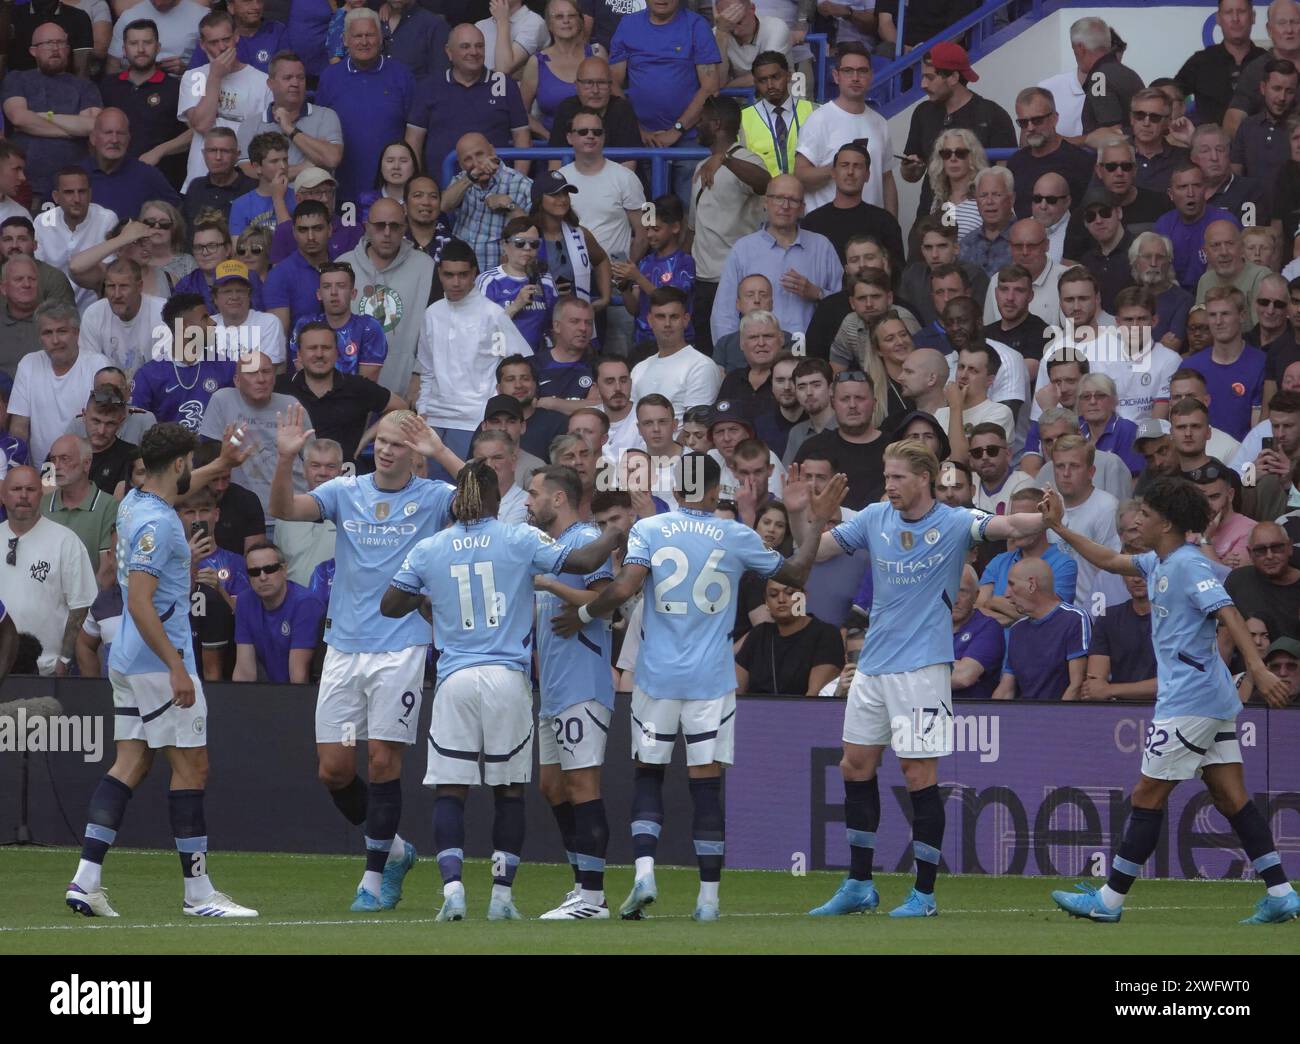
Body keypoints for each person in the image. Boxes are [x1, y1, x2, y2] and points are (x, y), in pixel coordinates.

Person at [553, 454, 844, 921]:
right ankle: (708, 900)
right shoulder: (736, 535)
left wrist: (586, 614)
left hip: (657, 675)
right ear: (713, 491)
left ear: (679, 486)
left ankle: (645, 871)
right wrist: (818, 521)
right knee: (705, 785)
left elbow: (625, 588)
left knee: (648, 773)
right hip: (711, 678)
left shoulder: (650, 529)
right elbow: (795, 575)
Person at [804, 438, 1048, 916]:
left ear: (924, 480)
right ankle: (858, 884)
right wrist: (813, 517)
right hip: (873, 666)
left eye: (898, 477)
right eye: (886, 476)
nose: (889, 484)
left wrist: (1047, 517)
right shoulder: (875, 517)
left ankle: (925, 893)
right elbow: (817, 551)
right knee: (855, 766)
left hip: (922, 670)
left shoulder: (956, 523)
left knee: (919, 775)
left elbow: (1009, 524)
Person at [1042, 478, 1299, 923]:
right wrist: (1060, 528)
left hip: (1190, 700)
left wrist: (1256, 668)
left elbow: (1229, 614)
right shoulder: (1156, 561)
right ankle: (1280, 893)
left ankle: (1108, 901)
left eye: (1145, 513)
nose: (1136, 520)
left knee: (1147, 792)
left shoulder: (1187, 566)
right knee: (1230, 796)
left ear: (1167, 522)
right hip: (1206, 697)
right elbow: (1107, 558)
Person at [382, 451, 625, 921]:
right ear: (496, 497)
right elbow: (584, 557)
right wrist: (615, 529)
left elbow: (390, 603)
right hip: (507, 679)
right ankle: (501, 897)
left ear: (457, 501)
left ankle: (453, 892)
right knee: (509, 790)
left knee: (450, 790)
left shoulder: (431, 548)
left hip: (454, 679)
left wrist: (431, 600)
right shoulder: (518, 537)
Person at [267, 408, 445, 911]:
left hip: (402, 646)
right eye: (382, 441)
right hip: (344, 649)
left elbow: (486, 505)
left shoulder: (433, 499)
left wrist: (440, 450)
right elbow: (285, 508)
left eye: (399, 444)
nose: (387, 450)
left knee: (384, 760)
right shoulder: (346, 491)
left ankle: (372, 879)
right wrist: (284, 459)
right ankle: (394, 849)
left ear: (415, 453)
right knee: (335, 768)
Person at [524, 464, 617, 919]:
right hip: (555, 686)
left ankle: (594, 898)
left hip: (585, 679)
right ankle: (582, 884)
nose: (527, 500)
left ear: (558, 499)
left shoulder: (584, 542)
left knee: (582, 783)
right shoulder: (550, 546)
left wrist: (552, 584)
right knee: (551, 785)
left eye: (534, 492)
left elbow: (606, 599)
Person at [412, 240, 532, 467]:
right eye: (449, 275)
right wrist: (423, 410)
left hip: (475, 419)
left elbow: (517, 364)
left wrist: (497, 412)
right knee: (437, 494)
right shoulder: (432, 314)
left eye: (463, 275)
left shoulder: (492, 315)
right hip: (434, 419)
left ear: (474, 273)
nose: (456, 282)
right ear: (439, 273)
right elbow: (426, 370)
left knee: (468, 491)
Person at [608, 0, 721, 204]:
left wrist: (676, 130)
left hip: (690, 137)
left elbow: (711, 87)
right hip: (640, 140)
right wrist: (637, 129)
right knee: (646, 212)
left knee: (691, 212)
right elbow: (612, 82)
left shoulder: (696, 26)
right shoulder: (628, 25)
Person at [712, 174, 842, 346]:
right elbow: (724, 312)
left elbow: (843, 306)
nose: (785, 206)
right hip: (757, 353)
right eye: (778, 198)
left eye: (793, 200)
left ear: (802, 208)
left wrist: (817, 293)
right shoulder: (743, 249)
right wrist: (729, 356)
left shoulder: (822, 247)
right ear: (765, 202)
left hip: (810, 354)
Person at [406, 22, 530, 192]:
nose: (474, 52)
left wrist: (516, 185)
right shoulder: (429, 86)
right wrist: (419, 186)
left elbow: (522, 138)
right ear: (449, 52)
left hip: (495, 188)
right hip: (442, 190)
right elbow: (413, 141)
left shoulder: (504, 84)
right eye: (465, 46)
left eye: (479, 46)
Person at [313, 8, 416, 207]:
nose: (364, 42)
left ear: (380, 38)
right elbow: (321, 132)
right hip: (342, 188)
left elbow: (415, 132)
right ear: (344, 40)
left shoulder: (402, 75)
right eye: (357, 36)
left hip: (393, 190)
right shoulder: (330, 77)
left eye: (370, 35)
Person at [1, 21, 102, 205]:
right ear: (33, 51)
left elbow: (92, 126)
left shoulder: (85, 86)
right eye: (48, 43)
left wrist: (43, 116)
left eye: (60, 43)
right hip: (25, 184)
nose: (55, 48)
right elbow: (19, 118)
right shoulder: (17, 79)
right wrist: (72, 130)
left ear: (68, 49)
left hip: (73, 189)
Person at [794, 43, 896, 216]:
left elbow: (887, 179)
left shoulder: (880, 123)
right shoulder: (819, 119)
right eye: (848, 71)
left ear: (871, 76)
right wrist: (837, 168)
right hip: (826, 230)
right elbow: (800, 174)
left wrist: (893, 227)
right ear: (836, 76)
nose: (855, 77)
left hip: (870, 231)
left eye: (862, 71)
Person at [8, 300, 112, 466]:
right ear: (39, 337)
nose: (55, 340)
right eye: (47, 333)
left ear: (77, 333)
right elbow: (19, 428)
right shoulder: (29, 363)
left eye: (62, 331)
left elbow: (109, 421)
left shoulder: (98, 365)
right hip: (46, 469)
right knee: (49, 492)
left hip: (88, 467)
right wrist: (18, 467)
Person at [178, 11, 270, 195]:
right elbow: (202, 125)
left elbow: (264, 139)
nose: (221, 47)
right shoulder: (194, 77)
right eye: (213, 42)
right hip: (200, 180)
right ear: (203, 46)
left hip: (245, 181)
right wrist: (215, 76)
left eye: (226, 39)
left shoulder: (263, 82)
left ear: (236, 37)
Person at [97, 19, 192, 180]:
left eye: (147, 43)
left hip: (162, 180)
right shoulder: (108, 86)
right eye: (133, 43)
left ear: (158, 47)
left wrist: (159, 151)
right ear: (124, 50)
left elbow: (195, 132)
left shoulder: (176, 88)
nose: (141, 49)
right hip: (114, 177)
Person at [977, 485, 1078, 624]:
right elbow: (977, 610)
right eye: (1013, 520)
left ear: (1042, 521)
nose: (1017, 527)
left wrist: (993, 602)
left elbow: (1050, 617)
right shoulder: (999, 561)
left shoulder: (1064, 564)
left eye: (1024, 520)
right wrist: (1024, 613)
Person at [231, 541, 325, 685]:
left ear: (284, 569)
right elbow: (245, 672)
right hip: (274, 690)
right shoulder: (245, 601)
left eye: (270, 569)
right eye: (254, 572)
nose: (262, 577)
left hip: (310, 693)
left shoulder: (306, 603)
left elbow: (299, 677)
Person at [241, 52, 343, 182]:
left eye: (300, 77)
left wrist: (289, 129)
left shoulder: (326, 116)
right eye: (287, 78)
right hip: (269, 202)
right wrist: (303, 167)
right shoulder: (250, 125)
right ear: (270, 83)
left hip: (315, 200)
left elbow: (331, 159)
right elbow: (250, 173)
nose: (295, 83)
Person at [735, 577, 844, 696]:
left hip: (803, 712)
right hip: (754, 712)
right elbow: (735, 693)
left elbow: (814, 696)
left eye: (790, 593)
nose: (781, 599)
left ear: (804, 596)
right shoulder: (758, 635)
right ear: (766, 602)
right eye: (773, 594)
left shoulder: (826, 634)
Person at [1184, 286, 1266, 441]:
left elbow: (1258, 428)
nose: (1218, 321)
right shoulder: (1190, 367)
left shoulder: (1261, 363)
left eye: (1225, 314)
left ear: (1242, 315)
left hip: (1243, 457)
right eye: (1212, 315)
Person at [1006, 86, 1097, 217]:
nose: (1030, 128)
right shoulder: (1015, 162)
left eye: (1037, 120)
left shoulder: (1080, 161)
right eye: (1023, 122)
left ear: (1054, 118)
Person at [1176, 0, 1267, 129]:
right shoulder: (1200, 61)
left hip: (1259, 145)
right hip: (1210, 146)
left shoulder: (1268, 62)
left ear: (1253, 17)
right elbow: (1171, 94)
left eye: (1241, 12)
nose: (1235, 19)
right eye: (1228, 12)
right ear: (1218, 19)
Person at [41, 433, 117, 573]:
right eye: (53, 460)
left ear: (86, 464)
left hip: (92, 593)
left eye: (65, 459)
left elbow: (107, 570)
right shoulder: (42, 504)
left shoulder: (108, 505)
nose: (56, 466)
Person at [738, 50, 814, 179]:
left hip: (807, 193)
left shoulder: (814, 112)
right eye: (762, 80)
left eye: (775, 77)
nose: (770, 85)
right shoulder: (741, 119)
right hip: (763, 195)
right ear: (755, 83)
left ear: (789, 76)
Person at [181, 127, 257, 228]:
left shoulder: (253, 190)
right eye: (212, 150)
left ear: (237, 155)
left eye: (225, 151)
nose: (218, 157)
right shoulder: (195, 187)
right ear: (204, 154)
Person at [949, 564, 1005, 700]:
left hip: (971, 718)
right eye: (949, 590)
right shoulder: (927, 627)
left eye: (962, 591)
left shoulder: (988, 627)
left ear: (976, 595)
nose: (955, 599)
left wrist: (922, 669)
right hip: (926, 715)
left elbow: (963, 677)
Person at [227, 132, 294, 236]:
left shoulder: (298, 197)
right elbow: (238, 249)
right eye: (274, 161)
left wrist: (278, 199)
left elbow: (292, 242)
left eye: (285, 160)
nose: (283, 166)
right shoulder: (241, 205)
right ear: (257, 167)